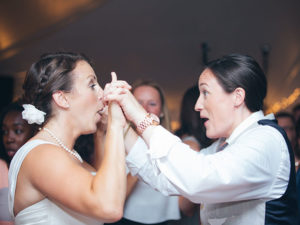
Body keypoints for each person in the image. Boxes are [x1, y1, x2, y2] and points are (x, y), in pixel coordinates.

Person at [104, 54, 299, 224]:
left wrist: (140, 116)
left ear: (237, 97)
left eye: (205, 92)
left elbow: (199, 179)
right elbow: (164, 177)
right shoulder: (224, 146)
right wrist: (122, 127)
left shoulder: (265, 139)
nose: (197, 105)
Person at [8, 52, 128, 224]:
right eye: (92, 85)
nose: (102, 93)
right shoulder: (42, 155)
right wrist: (116, 125)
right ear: (62, 98)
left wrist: (104, 131)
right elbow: (108, 207)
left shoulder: (68, 154)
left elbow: (107, 187)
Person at [108, 80, 180, 225]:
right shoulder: (114, 141)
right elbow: (109, 200)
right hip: (125, 219)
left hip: (166, 220)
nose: (144, 109)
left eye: (152, 104)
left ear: (161, 111)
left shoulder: (173, 144)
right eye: (138, 103)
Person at [0, 101, 35, 224]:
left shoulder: (40, 171)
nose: (9, 138)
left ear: (34, 133)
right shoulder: (1, 168)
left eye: (18, 131)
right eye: (4, 131)